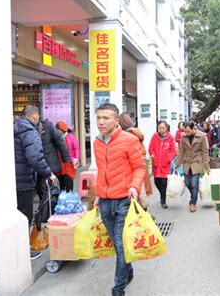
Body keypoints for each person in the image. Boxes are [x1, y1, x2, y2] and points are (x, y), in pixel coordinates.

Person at [93, 103, 146, 296]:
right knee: (117, 243)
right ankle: (128, 270)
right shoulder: (97, 142)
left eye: (105, 118)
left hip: (124, 199)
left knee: (121, 243)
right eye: (98, 117)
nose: (100, 122)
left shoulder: (129, 140)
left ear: (116, 121)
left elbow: (140, 167)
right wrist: (99, 194)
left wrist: (134, 187)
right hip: (106, 201)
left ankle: (118, 288)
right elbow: (102, 171)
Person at [13, 105, 57, 260]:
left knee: (16, 214)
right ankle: (23, 251)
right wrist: (49, 173)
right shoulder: (30, 132)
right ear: (34, 116)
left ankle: (15, 248)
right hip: (23, 180)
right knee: (25, 215)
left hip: (13, 179)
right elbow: (34, 157)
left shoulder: (14, 127)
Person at [37, 118, 71, 218]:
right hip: (37, 167)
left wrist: (66, 159)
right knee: (42, 191)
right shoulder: (31, 128)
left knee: (46, 190)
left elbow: (60, 142)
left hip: (50, 165)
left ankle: (47, 215)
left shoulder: (48, 126)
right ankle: (45, 213)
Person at [119, 113, 153, 212]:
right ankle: (144, 210)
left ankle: (139, 212)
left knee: (135, 185)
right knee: (140, 184)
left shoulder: (126, 135)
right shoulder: (136, 132)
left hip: (132, 163)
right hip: (141, 162)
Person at [175, 121, 210, 212]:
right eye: (185, 131)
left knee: (194, 183)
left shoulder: (202, 136)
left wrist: (206, 165)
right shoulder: (183, 136)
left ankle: (192, 202)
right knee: (187, 183)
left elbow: (205, 151)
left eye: (188, 131)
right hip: (186, 163)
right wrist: (177, 165)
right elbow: (181, 151)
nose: (186, 133)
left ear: (193, 128)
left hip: (197, 162)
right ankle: (194, 194)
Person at [149, 121, 177, 209]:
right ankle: (162, 194)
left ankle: (163, 200)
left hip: (165, 164)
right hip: (156, 164)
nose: (161, 130)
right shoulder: (155, 136)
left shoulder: (170, 138)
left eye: (163, 128)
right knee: (157, 182)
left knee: (164, 183)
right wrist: (153, 156)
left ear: (166, 128)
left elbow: (173, 151)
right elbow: (151, 148)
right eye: (159, 128)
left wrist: (168, 159)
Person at [55, 121, 80, 192]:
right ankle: (62, 198)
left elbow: (76, 149)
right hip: (60, 164)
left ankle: (69, 197)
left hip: (69, 163)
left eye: (58, 130)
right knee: (61, 183)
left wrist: (77, 159)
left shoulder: (71, 137)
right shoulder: (56, 138)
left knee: (68, 181)